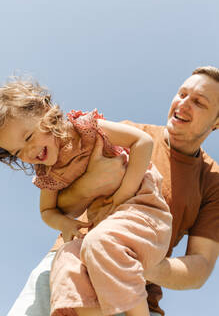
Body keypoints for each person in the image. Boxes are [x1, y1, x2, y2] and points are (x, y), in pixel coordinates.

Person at [6, 65, 219, 316]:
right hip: (68, 269)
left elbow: (200, 267)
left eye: (199, 102)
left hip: (133, 291)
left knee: (104, 247)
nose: (183, 104)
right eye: (182, 93)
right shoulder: (125, 132)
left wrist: (141, 265)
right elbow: (54, 206)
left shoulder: (212, 181)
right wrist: (89, 185)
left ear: (216, 121)